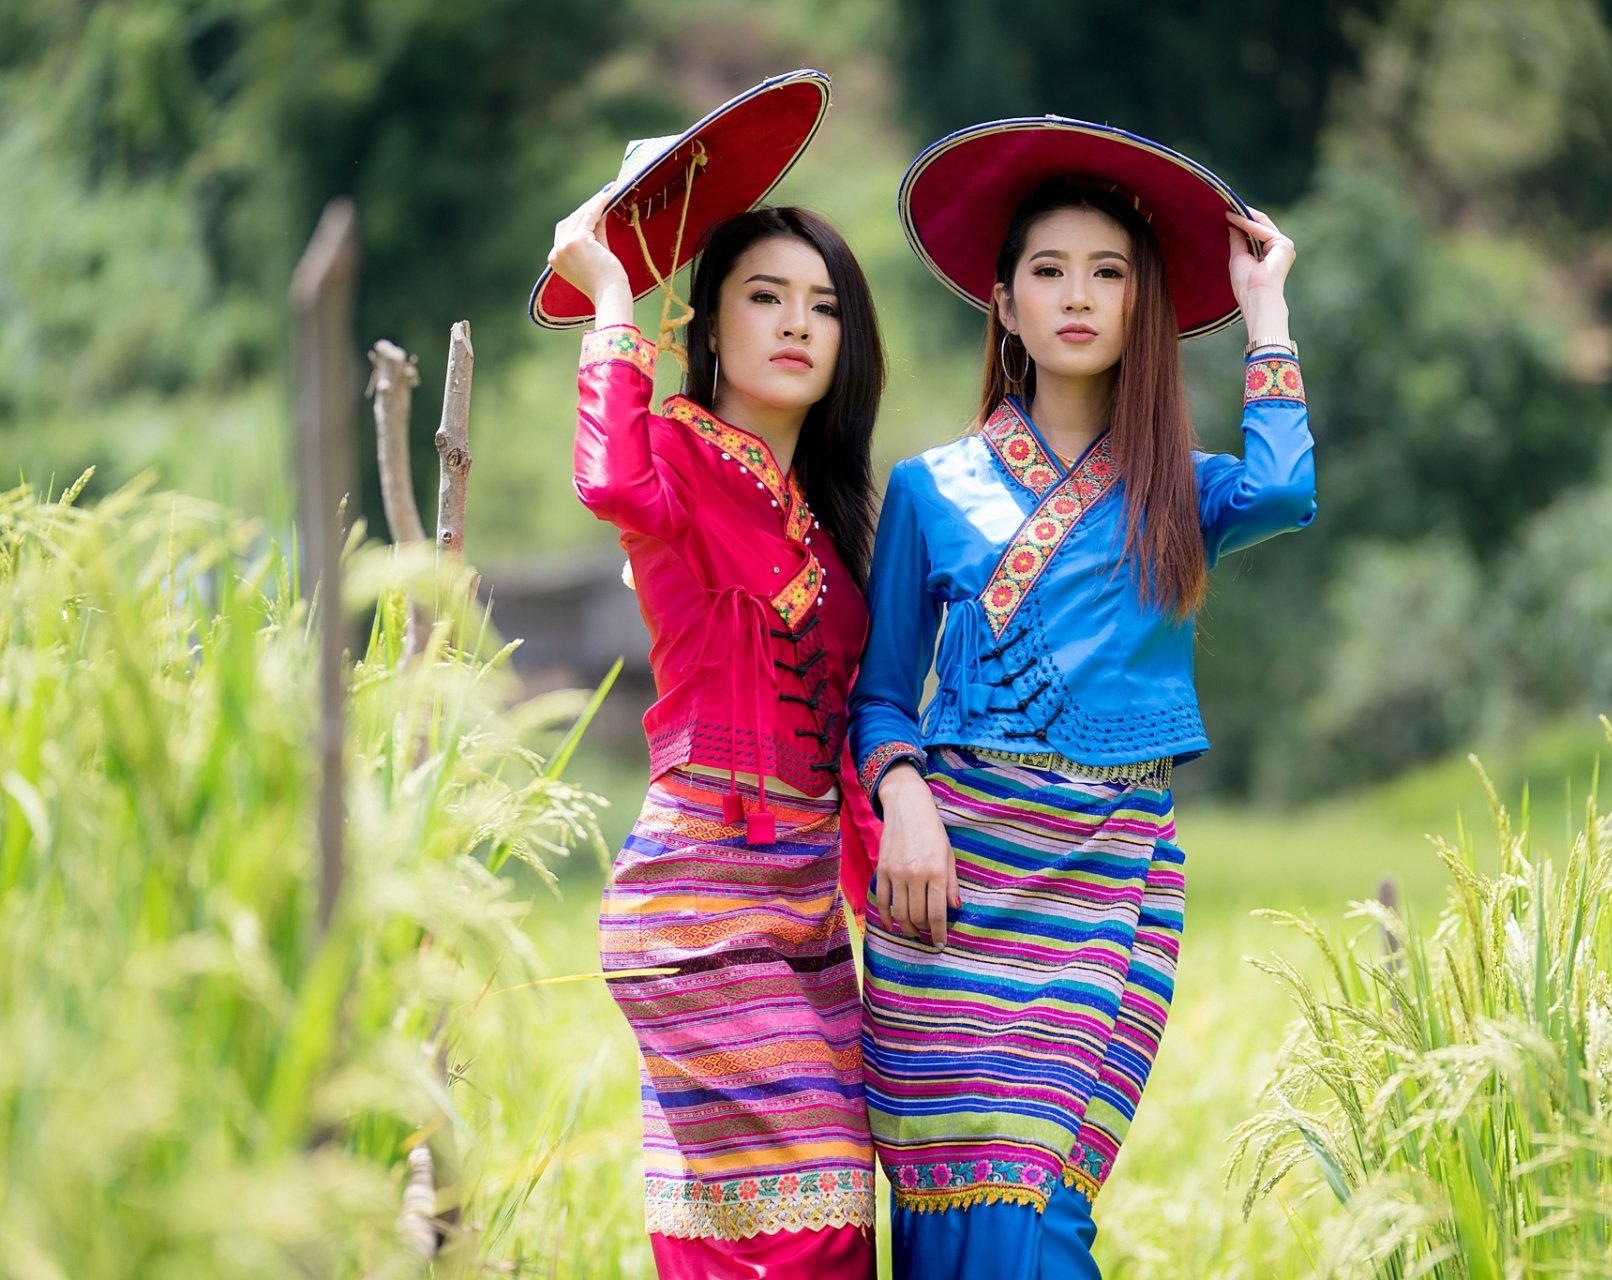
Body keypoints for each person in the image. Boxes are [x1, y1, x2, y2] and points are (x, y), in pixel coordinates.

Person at [848, 116, 1317, 1278]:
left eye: (1108, 273)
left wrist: (1265, 312)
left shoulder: (1180, 489)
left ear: (1138, 307)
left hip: (1105, 879)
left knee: (1041, 1203)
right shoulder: (929, 489)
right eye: (1049, 271)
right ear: (1003, 305)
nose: (1076, 295)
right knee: (952, 1208)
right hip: (952, 886)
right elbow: (881, 696)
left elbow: (1285, 488)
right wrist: (903, 798)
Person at [538, 69, 881, 1279]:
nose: (797, 322)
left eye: (823, 304)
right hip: (698, 894)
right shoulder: (677, 455)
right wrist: (614, 295)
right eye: (765, 296)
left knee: (775, 1229)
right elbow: (608, 480)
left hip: (807, 909)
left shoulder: (827, 529)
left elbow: (850, 729)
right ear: (708, 324)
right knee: (813, 1216)